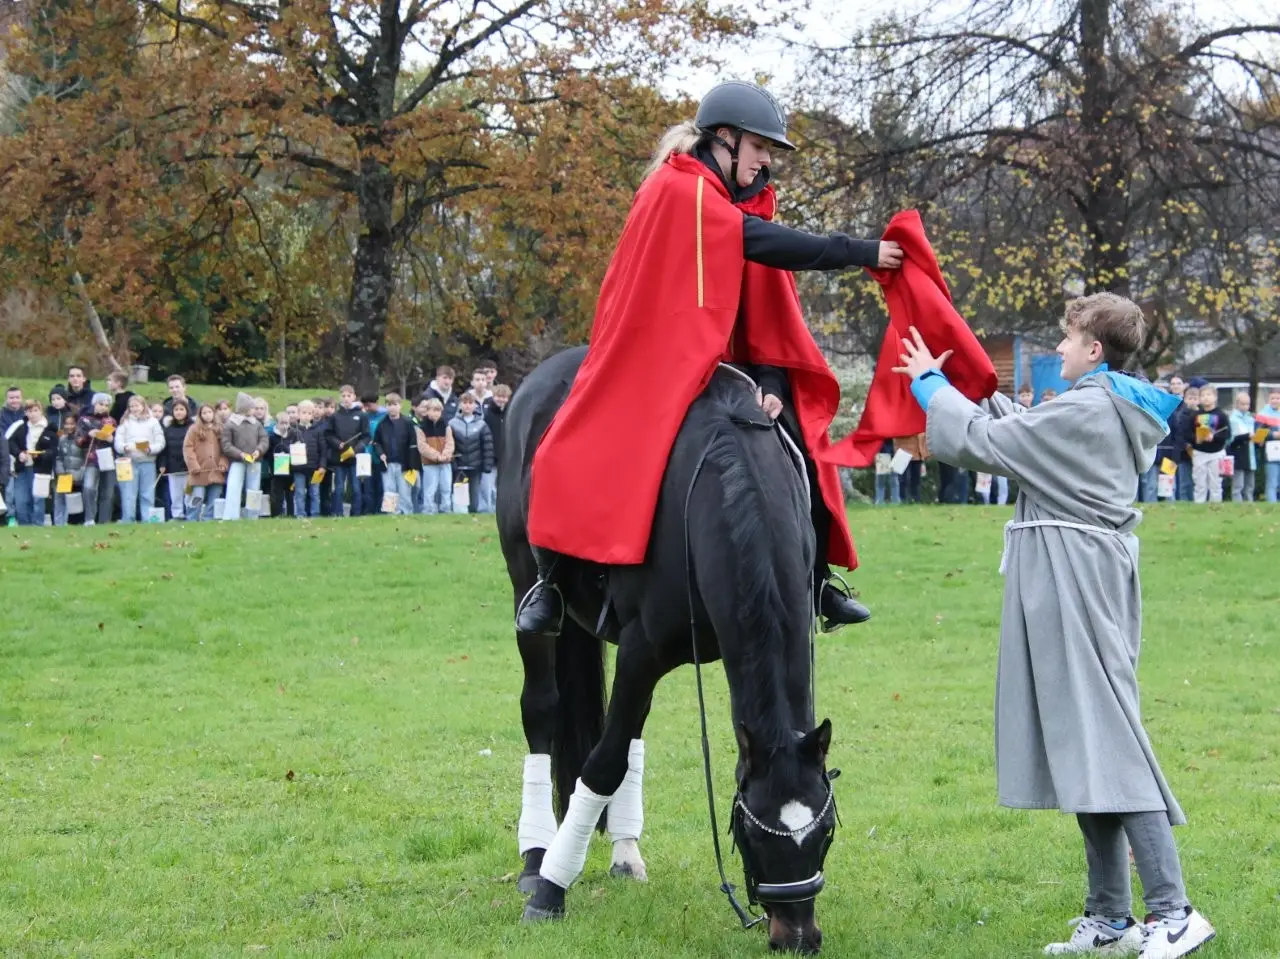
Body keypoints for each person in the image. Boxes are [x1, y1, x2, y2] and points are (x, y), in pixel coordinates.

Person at [894, 293, 1215, 959]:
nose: (1058, 349)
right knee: (1085, 742)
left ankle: (1174, 912)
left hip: (1077, 578)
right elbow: (1021, 428)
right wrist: (964, 383)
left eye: (1067, 339)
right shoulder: (1094, 403)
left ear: (1095, 349)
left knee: (1111, 743)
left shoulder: (1092, 407)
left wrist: (929, 384)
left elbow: (991, 442)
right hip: (1071, 572)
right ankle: (1110, 917)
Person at [518, 81, 901, 635]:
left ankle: (817, 579)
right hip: (651, 359)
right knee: (565, 448)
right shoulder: (678, 189)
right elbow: (764, 243)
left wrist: (771, 379)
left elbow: (763, 304)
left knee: (801, 443)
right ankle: (551, 582)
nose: (767, 160)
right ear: (725, 138)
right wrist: (861, 252)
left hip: (728, 363)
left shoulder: (742, 199)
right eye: (760, 147)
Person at [113, 394, 165, 523]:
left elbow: (160, 442)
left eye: (136, 406)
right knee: (128, 493)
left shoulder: (153, 422)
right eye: (131, 406)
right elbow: (118, 442)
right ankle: (128, 519)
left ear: (143, 406)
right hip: (128, 463)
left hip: (148, 462)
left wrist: (150, 449)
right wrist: (124, 447)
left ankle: (147, 520)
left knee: (147, 493)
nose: (134, 408)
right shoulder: (125, 422)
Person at [7, 399, 56, 525]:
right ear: (25, 413)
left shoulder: (50, 428)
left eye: (35, 410)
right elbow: (11, 443)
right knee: (21, 500)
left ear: (41, 411)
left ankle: (38, 525)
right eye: (29, 411)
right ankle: (24, 525)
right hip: (23, 468)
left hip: (41, 469)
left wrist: (41, 454)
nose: (32, 414)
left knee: (38, 499)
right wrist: (19, 453)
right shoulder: (21, 426)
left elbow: (53, 450)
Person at [220, 392, 268, 520]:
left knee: (254, 489)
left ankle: (252, 516)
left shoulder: (256, 424)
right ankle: (231, 515)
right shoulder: (230, 424)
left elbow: (264, 439)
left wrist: (258, 450)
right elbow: (226, 445)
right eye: (252, 408)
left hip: (255, 461)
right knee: (233, 487)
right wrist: (240, 454)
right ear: (244, 408)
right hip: (237, 461)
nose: (254, 410)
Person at [76, 392, 117, 527]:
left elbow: (117, 441)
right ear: (94, 404)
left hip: (108, 457)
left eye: (106, 405)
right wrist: (88, 435)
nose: (103, 407)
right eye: (101, 404)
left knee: (108, 491)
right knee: (88, 487)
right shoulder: (84, 419)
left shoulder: (111, 420)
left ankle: (104, 521)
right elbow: (78, 440)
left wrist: (111, 439)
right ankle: (89, 518)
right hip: (92, 457)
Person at [327, 385, 369, 517]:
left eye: (349, 396)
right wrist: (337, 443)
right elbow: (329, 434)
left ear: (354, 397)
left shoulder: (362, 415)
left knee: (356, 488)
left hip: (355, 458)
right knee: (339, 488)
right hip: (339, 458)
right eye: (343, 396)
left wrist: (357, 449)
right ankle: (337, 513)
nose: (346, 398)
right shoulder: (334, 416)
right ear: (340, 397)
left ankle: (355, 514)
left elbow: (366, 436)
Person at [449, 391, 493, 514]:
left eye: (470, 403)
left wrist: (487, 465)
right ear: (460, 405)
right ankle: (460, 518)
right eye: (464, 403)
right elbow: (450, 446)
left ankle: (473, 514)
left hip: (475, 466)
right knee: (460, 499)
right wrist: (453, 463)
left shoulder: (481, 424)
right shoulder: (452, 423)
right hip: (459, 466)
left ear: (475, 406)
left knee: (474, 497)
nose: (467, 406)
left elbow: (487, 446)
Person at [183, 404, 227, 521]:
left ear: (214, 414)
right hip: (199, 472)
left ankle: (208, 519)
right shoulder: (194, 429)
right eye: (204, 413)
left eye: (209, 412)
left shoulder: (220, 429)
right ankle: (192, 518)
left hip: (216, 472)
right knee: (197, 497)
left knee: (214, 498)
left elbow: (225, 450)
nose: (207, 415)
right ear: (200, 415)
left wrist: (223, 464)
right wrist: (193, 465)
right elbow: (188, 448)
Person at [373, 395, 414, 514]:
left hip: (404, 464)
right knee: (389, 490)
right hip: (387, 463)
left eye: (395, 404)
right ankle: (391, 514)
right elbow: (376, 442)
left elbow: (413, 443)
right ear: (386, 406)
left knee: (404, 491)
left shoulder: (408, 422)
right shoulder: (382, 424)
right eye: (389, 405)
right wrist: (381, 453)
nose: (392, 407)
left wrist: (412, 463)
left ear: (400, 406)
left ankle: (406, 513)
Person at [1188, 385, 1229, 504]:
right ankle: (1199, 505)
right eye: (1203, 395)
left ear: (1215, 397)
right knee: (1199, 482)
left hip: (1217, 453)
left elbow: (1227, 433)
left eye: (1208, 395)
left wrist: (1214, 437)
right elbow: (1187, 433)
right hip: (1199, 453)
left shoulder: (1221, 415)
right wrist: (1196, 438)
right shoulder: (1194, 415)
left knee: (1216, 482)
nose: (1206, 398)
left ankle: (1215, 505)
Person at [415, 397, 455, 514]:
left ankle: (446, 508)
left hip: (445, 462)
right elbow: (422, 447)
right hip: (430, 464)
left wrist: (446, 454)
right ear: (427, 411)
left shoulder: (446, 426)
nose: (436, 413)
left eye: (438, 410)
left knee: (446, 488)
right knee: (430, 489)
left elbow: (450, 442)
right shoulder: (421, 427)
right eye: (433, 410)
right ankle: (428, 510)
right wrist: (437, 456)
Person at [289, 400, 325, 518]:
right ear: (298, 414)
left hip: (314, 468)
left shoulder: (317, 430)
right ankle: (300, 514)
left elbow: (323, 450)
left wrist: (322, 465)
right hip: (298, 467)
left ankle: (315, 514)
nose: (306, 416)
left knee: (315, 493)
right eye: (304, 413)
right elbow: (286, 446)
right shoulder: (293, 430)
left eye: (309, 413)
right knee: (299, 492)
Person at [159, 399, 193, 520]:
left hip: (189, 467)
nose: (179, 412)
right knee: (175, 494)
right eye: (176, 410)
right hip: (173, 467)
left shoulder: (193, 428)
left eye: (181, 409)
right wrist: (162, 464)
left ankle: (191, 514)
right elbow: (164, 449)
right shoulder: (168, 429)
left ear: (187, 411)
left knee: (190, 493)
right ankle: (177, 515)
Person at [480, 384, 510, 512]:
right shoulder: (487, 414)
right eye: (498, 396)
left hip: (505, 455)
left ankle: (500, 508)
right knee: (488, 485)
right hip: (490, 455)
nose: (501, 399)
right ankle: (487, 509)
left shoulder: (510, 413)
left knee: (502, 485)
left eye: (504, 397)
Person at [52, 414, 85, 526]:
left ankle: (76, 523)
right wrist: (61, 472)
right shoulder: (62, 439)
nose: (69, 426)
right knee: (60, 499)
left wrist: (79, 473)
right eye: (66, 424)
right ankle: (59, 524)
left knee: (76, 501)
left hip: (78, 476)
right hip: (64, 475)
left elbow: (85, 458)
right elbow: (59, 457)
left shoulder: (82, 439)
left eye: (72, 424)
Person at [1226, 390, 1257, 502]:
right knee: (1238, 485)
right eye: (1242, 404)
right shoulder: (1232, 419)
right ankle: (1237, 505)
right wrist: (1247, 436)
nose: (1245, 407)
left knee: (1250, 485)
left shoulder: (1250, 419)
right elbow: (1231, 440)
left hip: (1250, 453)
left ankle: (1249, 504)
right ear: (1237, 404)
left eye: (1247, 404)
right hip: (1238, 454)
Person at [266, 408, 296, 518]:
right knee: (276, 494)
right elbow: (267, 453)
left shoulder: (293, 434)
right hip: (276, 470)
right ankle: (276, 514)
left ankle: (291, 514)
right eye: (282, 423)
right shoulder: (272, 436)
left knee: (290, 493)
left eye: (286, 423)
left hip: (290, 469)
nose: (284, 426)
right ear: (277, 423)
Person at [1258, 388, 1280, 504]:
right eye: (1273, 398)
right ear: (1268, 399)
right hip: (1271, 454)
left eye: (1278, 398)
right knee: (1272, 482)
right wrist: (1273, 435)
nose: (1275, 401)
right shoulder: (1263, 414)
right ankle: (1272, 506)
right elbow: (1258, 434)